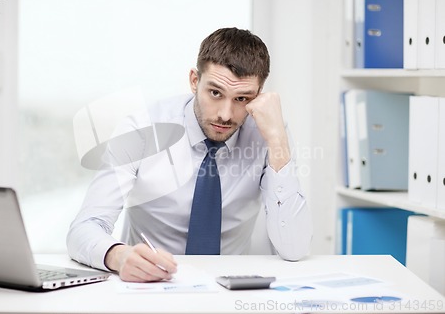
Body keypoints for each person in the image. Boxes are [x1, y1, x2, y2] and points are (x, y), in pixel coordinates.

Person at [67, 27, 312, 282]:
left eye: (241, 98)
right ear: (195, 81)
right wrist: (119, 257)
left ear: (258, 96)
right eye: (215, 93)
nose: (225, 115)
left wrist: (277, 139)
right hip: (149, 286)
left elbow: (294, 248)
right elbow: (84, 227)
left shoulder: (268, 133)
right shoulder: (141, 130)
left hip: (229, 287)